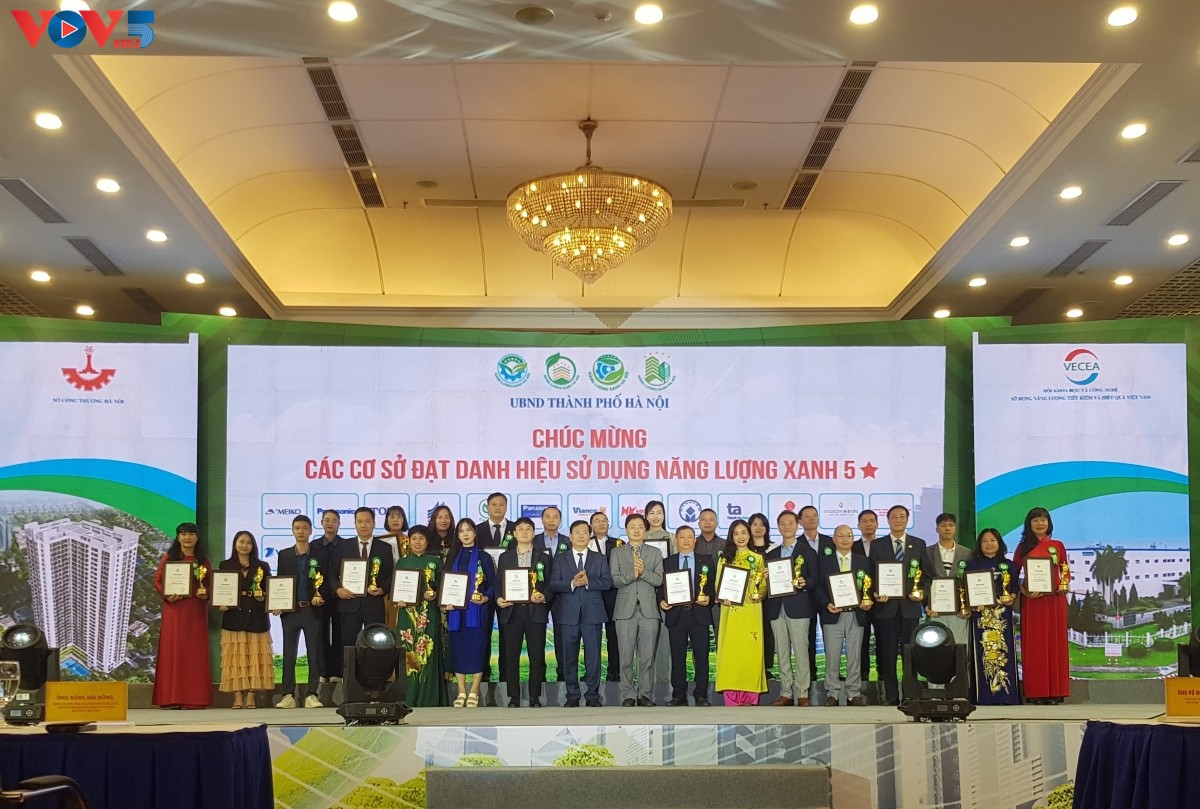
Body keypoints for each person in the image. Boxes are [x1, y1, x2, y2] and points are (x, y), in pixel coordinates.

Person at [549, 519, 612, 707]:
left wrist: (588, 582)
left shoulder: (599, 558)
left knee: (593, 656)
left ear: (589, 536)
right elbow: (553, 584)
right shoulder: (560, 559)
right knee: (569, 656)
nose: (582, 535)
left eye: (585, 532)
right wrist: (572, 583)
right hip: (568, 613)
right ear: (570, 536)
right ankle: (572, 695)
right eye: (578, 532)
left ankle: (592, 695)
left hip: (592, 613)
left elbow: (607, 582)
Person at [869, 504, 927, 705]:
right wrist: (875, 593)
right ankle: (891, 695)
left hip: (910, 607)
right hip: (886, 608)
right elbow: (871, 575)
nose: (898, 520)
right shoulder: (877, 545)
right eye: (893, 516)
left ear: (907, 519)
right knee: (887, 652)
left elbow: (925, 575)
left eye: (902, 516)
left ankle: (911, 692)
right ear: (888, 520)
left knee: (910, 652)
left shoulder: (918, 544)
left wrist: (922, 593)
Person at [152, 522, 213, 709]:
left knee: (194, 654)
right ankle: (171, 698)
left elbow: (211, 584)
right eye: (184, 534)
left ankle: (195, 699)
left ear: (197, 537)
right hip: (174, 611)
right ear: (178, 537)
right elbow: (158, 581)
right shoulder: (169, 558)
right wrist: (167, 595)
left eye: (191, 534)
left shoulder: (203, 561)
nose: (187, 538)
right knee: (173, 652)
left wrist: (206, 593)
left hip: (195, 611)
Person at [1014, 506, 1070, 704]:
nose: (1040, 523)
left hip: (1054, 601)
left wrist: (1064, 584)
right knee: (1035, 646)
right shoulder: (1023, 548)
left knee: (1055, 644)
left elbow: (1064, 569)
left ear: (1049, 523)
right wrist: (1024, 591)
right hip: (1033, 603)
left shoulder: (1057, 545)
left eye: (1043, 519)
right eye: (1035, 520)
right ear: (1029, 524)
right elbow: (1013, 574)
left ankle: (1056, 691)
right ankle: (1036, 692)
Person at [495, 518, 553, 707]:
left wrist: (544, 597)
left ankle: (535, 697)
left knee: (537, 656)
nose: (524, 532)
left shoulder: (544, 557)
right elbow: (498, 584)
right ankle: (513, 697)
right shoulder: (505, 557)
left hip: (535, 611)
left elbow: (551, 584)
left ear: (534, 533)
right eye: (520, 529)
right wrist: (499, 599)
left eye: (528, 529)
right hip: (512, 612)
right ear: (514, 533)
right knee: (511, 656)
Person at [815, 524, 873, 706]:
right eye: (840, 535)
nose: (845, 539)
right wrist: (827, 603)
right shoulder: (824, 561)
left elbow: (870, 586)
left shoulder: (863, 561)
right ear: (834, 539)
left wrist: (867, 600)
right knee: (832, 656)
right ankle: (832, 693)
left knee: (854, 656)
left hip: (856, 615)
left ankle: (853, 694)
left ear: (853, 539)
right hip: (833, 615)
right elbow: (818, 588)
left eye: (848, 535)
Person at [765, 510, 818, 706]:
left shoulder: (808, 552)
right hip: (776, 608)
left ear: (797, 525)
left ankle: (802, 692)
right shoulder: (771, 554)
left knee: (801, 650)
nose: (786, 527)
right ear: (778, 527)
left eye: (790, 523)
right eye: (782, 523)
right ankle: (786, 692)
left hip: (799, 608)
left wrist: (805, 582)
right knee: (782, 652)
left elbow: (815, 579)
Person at [610, 514, 664, 706]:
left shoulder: (655, 552)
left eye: (640, 526)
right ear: (626, 530)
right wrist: (632, 575)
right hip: (625, 611)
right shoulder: (617, 553)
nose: (636, 530)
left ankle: (645, 694)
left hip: (649, 611)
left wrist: (643, 572)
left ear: (645, 529)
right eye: (632, 526)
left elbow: (659, 579)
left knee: (647, 657)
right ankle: (628, 694)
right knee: (625, 657)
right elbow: (614, 580)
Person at [392, 525, 449, 707]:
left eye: (421, 538)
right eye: (414, 538)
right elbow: (396, 589)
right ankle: (408, 697)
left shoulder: (435, 561)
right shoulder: (402, 563)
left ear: (427, 541)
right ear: (408, 541)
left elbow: (443, 588)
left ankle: (428, 699)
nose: (417, 542)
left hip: (427, 614)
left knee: (427, 654)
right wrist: (398, 601)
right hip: (406, 615)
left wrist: (435, 594)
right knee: (408, 653)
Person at [333, 507, 395, 674]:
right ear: (354, 524)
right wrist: (338, 589)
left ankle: (375, 681)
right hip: (349, 604)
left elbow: (391, 575)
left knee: (377, 644)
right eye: (360, 521)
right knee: (348, 645)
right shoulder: (343, 546)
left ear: (374, 523)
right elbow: (331, 573)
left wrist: (383, 589)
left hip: (373, 604)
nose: (364, 525)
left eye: (367, 521)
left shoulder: (384, 548)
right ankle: (349, 680)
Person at [217, 530, 274, 709]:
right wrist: (221, 602)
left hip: (257, 617)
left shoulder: (262, 566)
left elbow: (270, 591)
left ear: (253, 546)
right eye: (241, 542)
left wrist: (264, 597)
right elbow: (220, 589)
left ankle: (251, 697)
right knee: (235, 660)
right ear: (235, 544)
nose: (245, 545)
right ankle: (237, 697)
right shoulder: (225, 565)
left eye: (249, 542)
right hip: (234, 617)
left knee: (255, 660)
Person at [659, 525, 714, 706]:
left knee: (702, 657)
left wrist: (709, 598)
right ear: (676, 540)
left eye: (690, 537)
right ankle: (679, 695)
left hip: (699, 614)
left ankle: (701, 695)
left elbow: (713, 587)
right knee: (677, 657)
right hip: (676, 615)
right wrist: (661, 601)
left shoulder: (706, 561)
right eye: (682, 537)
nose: (686, 540)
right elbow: (660, 588)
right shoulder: (667, 562)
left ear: (695, 540)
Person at [274, 515, 325, 709]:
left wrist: (321, 596)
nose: (301, 531)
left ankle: (312, 694)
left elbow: (325, 580)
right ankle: (287, 695)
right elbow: (281, 581)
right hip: (290, 612)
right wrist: (278, 602)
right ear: (292, 530)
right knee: (289, 653)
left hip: (312, 611)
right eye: (297, 528)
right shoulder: (285, 555)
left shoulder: (319, 554)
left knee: (314, 654)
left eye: (304, 528)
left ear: (310, 530)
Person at [715, 519, 768, 706]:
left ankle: (750, 697)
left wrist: (761, 590)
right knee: (731, 653)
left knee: (750, 652)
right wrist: (722, 596)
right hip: (731, 612)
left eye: (743, 533)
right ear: (731, 536)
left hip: (751, 610)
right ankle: (732, 697)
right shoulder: (724, 559)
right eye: (736, 533)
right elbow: (718, 585)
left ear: (749, 535)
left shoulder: (758, 558)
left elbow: (762, 587)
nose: (740, 537)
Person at [966, 528, 1020, 705]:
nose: (989, 544)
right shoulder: (972, 565)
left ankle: (1007, 696)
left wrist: (1012, 596)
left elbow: (1014, 587)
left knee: (1004, 653)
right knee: (984, 654)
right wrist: (973, 602)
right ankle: (984, 697)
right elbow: (965, 588)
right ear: (979, 545)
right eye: (985, 541)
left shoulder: (1008, 564)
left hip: (1002, 616)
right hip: (981, 616)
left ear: (999, 543)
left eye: (992, 540)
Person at [445, 518, 495, 707]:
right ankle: (461, 690)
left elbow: (493, 584)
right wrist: (446, 600)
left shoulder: (484, 557)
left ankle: (474, 690)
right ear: (457, 535)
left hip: (477, 611)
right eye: (461, 531)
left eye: (468, 530)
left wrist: (485, 598)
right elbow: (446, 583)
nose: (465, 534)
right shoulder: (452, 557)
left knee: (476, 648)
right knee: (458, 649)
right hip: (456, 613)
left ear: (475, 533)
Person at [921, 513, 972, 645]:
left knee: (960, 648)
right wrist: (927, 604)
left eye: (951, 525)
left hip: (959, 611)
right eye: (943, 525)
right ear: (937, 529)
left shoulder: (966, 553)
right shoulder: (927, 552)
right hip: (936, 610)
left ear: (955, 528)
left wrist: (967, 606)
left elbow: (968, 582)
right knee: (936, 648)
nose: (947, 528)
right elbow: (924, 580)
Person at [533, 505, 569, 680]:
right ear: (542, 520)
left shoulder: (568, 542)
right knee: (537, 635)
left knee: (562, 635)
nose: (551, 520)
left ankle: (562, 673)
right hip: (539, 594)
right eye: (548, 516)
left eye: (555, 517)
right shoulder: (533, 541)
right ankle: (539, 675)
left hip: (562, 595)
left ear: (560, 520)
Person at [798, 505, 833, 682]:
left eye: (814, 515)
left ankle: (833, 673)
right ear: (800, 521)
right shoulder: (796, 544)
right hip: (806, 597)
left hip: (829, 597)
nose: (811, 519)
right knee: (808, 637)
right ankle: (810, 672)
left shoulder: (830, 542)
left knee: (831, 637)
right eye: (807, 516)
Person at [316, 508, 348, 684]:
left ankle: (338, 671)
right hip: (319, 597)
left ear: (339, 524)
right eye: (327, 520)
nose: (330, 523)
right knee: (321, 634)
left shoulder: (346, 545)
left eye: (334, 520)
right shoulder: (314, 546)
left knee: (339, 634)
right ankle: (323, 671)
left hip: (340, 596)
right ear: (321, 522)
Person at [592, 511, 623, 682]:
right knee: (592, 635)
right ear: (591, 525)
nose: (601, 523)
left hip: (613, 594)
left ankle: (614, 671)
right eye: (597, 521)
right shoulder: (586, 543)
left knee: (613, 634)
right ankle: (592, 672)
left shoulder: (618, 543)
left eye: (604, 520)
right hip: (592, 594)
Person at [853, 509, 881, 683]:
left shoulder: (885, 545)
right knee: (861, 641)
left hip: (882, 601)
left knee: (883, 640)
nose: (868, 524)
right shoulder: (852, 546)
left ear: (877, 524)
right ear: (858, 526)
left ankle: (882, 674)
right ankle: (862, 676)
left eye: (872, 521)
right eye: (864, 521)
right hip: (858, 603)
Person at [748, 512, 777, 678]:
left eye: (762, 524)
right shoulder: (744, 549)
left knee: (767, 632)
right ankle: (751, 666)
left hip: (770, 598)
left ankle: (766, 668)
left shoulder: (775, 548)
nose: (758, 528)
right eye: (755, 524)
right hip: (748, 598)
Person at [381, 505, 409, 628]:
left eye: (399, 517)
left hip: (405, 586)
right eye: (392, 517)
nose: (395, 520)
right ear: (387, 520)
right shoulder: (379, 541)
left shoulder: (411, 540)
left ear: (404, 520)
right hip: (385, 587)